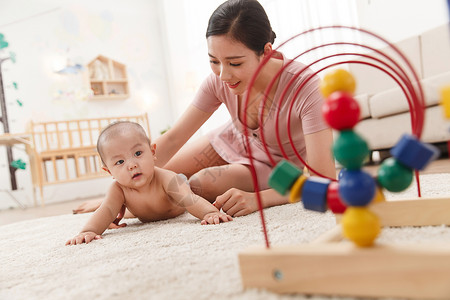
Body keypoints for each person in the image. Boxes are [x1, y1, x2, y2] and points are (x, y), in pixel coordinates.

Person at [73, 0, 335, 219]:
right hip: (232, 139)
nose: (223, 75)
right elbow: (174, 138)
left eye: (234, 62)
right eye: (214, 61)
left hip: (276, 164)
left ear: (266, 53)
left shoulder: (308, 89)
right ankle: (124, 204)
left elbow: (323, 179)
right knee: (159, 174)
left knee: (198, 184)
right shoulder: (219, 81)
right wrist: (117, 193)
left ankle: (134, 209)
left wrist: (259, 200)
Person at [66, 121, 232, 246]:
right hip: (146, 210)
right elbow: (107, 209)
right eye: (120, 162)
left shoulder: (166, 178)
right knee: (116, 211)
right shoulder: (118, 189)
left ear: (152, 152)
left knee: (195, 189)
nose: (131, 165)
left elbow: (189, 200)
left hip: (181, 192)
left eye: (138, 153)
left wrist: (210, 213)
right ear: (109, 171)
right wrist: (88, 231)